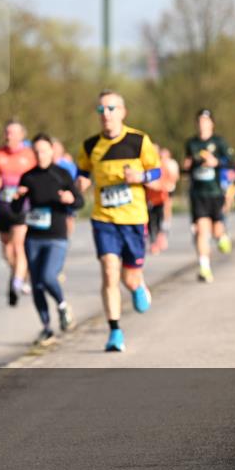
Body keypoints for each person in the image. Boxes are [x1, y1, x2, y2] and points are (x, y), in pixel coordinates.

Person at [76, 90, 161, 353]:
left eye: (111, 109)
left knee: (129, 277)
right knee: (109, 270)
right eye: (101, 110)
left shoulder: (138, 140)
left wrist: (141, 177)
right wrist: (81, 182)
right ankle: (115, 331)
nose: (106, 115)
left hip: (134, 218)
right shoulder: (90, 146)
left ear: (123, 112)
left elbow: (157, 172)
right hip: (104, 218)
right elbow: (83, 172)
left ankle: (137, 285)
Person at [13, 134, 84, 345]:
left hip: (57, 236)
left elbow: (79, 201)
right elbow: (17, 211)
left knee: (48, 276)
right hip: (34, 237)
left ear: (52, 151)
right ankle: (46, 328)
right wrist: (17, 198)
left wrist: (71, 199)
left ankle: (62, 306)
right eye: (36, 152)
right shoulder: (28, 177)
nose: (40, 155)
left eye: (43, 151)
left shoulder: (61, 174)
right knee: (36, 285)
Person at [0, 120, 37, 306]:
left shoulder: (30, 155)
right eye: (6, 132)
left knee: (18, 245)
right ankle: (20, 274)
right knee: (7, 250)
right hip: (2, 207)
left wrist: (27, 189)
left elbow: (40, 175)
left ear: (22, 135)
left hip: (22, 206)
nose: (8, 136)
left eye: (12, 133)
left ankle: (16, 282)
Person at [183, 109, 233, 283]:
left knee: (216, 229)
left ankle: (222, 237)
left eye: (206, 121)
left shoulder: (219, 142)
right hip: (198, 193)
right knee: (202, 231)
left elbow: (230, 162)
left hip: (215, 192)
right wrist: (187, 166)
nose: (202, 124)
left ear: (212, 123)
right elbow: (187, 166)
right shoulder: (191, 143)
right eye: (199, 121)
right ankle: (204, 268)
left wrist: (216, 162)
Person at [146, 145, 178, 255]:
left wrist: (160, 186)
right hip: (149, 198)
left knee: (160, 218)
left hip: (161, 196)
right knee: (150, 220)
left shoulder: (162, 165)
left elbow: (170, 179)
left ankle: (160, 238)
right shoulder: (146, 165)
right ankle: (153, 242)